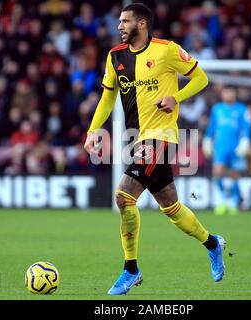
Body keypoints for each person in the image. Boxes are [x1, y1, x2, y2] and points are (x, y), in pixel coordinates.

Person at [84, 3, 225, 295]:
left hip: (162, 137)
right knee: (171, 208)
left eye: (125, 21)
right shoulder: (115, 56)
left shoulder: (167, 50)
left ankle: (131, 270)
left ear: (143, 24)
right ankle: (212, 243)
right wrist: (93, 130)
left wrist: (176, 97)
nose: (119, 26)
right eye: (119, 21)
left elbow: (201, 78)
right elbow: (107, 98)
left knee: (123, 196)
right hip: (137, 138)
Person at [202, 87, 251, 215]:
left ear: (234, 94)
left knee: (234, 174)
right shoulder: (217, 109)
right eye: (226, 92)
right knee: (217, 172)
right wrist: (207, 139)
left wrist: (245, 140)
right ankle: (223, 201)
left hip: (235, 147)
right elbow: (212, 126)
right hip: (220, 147)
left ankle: (234, 203)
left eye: (230, 92)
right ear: (222, 94)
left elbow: (246, 127)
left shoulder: (242, 109)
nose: (228, 94)